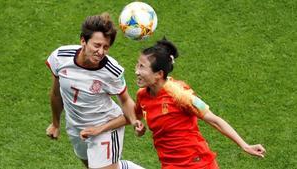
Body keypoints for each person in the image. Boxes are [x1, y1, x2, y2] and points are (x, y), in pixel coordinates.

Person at [133, 38, 266, 169]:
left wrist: (245, 145)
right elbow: (136, 115)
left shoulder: (181, 95)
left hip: (198, 163)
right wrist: (136, 125)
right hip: (170, 164)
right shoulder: (142, 95)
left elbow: (214, 120)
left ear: (159, 74)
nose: (136, 71)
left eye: (142, 67)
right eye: (137, 65)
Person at [45, 13, 143, 169]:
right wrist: (55, 124)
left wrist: (134, 120)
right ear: (83, 41)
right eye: (97, 45)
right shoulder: (60, 58)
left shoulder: (111, 71)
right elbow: (57, 94)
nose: (101, 52)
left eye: (106, 47)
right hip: (76, 128)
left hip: (106, 125)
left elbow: (124, 99)